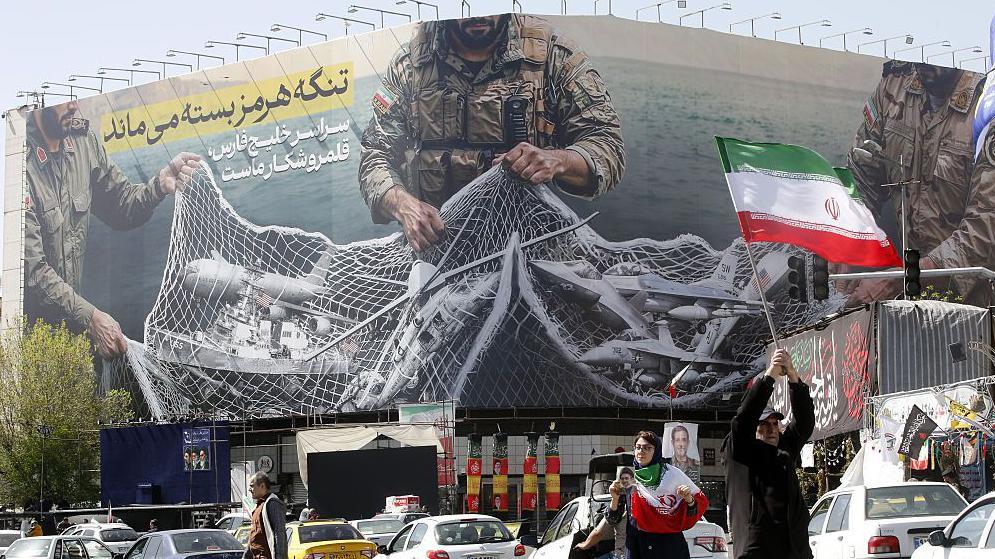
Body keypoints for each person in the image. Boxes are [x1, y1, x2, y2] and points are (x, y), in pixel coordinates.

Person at [359, 14, 626, 251]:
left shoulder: (554, 57)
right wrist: (401, 204)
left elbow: (607, 145)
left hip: (533, 250)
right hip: (436, 254)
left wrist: (558, 160)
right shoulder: (409, 66)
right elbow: (375, 154)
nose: (479, 14)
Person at [24, 100, 201, 357]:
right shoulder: (19, 164)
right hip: (29, 343)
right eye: (64, 101)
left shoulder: (85, 143)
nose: (74, 107)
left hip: (74, 338)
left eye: (76, 98)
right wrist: (92, 317)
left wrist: (158, 186)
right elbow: (33, 273)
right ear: (39, 103)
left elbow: (121, 206)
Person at [843, 60, 994, 306]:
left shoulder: (987, 104)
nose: (922, 61)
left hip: (976, 303)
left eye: (936, 54)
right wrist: (848, 241)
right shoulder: (896, 85)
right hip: (908, 294)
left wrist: (899, 280)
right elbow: (861, 177)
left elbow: (985, 227)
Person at [723, 349, 815, 559]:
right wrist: (771, 374)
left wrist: (793, 377)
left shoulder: (784, 449)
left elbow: (804, 424)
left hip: (794, 549)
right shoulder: (739, 450)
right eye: (763, 424)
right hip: (757, 550)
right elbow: (744, 419)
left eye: (775, 423)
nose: (772, 429)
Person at [605, 431, 707, 559]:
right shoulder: (628, 477)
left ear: (657, 451)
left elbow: (697, 507)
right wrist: (614, 498)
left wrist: (689, 499)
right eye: (638, 447)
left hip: (669, 546)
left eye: (647, 448)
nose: (641, 451)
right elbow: (612, 519)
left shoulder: (672, 475)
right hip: (638, 545)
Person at [574, 467, 634, 559]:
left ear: (633, 480)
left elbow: (599, 532)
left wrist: (584, 546)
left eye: (627, 478)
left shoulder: (623, 506)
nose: (625, 481)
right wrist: (615, 498)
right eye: (622, 479)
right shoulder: (623, 503)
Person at [245, 472, 287, 559]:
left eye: (252, 486)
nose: (249, 489)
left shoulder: (272, 503)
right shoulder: (259, 505)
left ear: (262, 486)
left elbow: (279, 532)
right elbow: (253, 536)